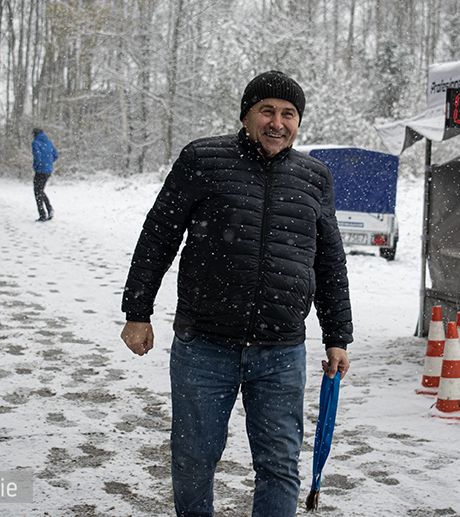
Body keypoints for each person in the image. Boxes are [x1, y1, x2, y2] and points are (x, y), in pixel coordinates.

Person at [120, 70, 352, 517]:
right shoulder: (202, 160)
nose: (277, 123)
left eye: (288, 114)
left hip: (281, 350)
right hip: (204, 344)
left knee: (280, 466)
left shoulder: (315, 177)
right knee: (194, 460)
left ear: (299, 122)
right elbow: (158, 236)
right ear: (246, 116)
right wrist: (137, 310)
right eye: (266, 110)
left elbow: (329, 261)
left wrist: (338, 335)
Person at [31, 128, 59, 221]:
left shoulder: (36, 143)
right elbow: (56, 155)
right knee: (41, 190)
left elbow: (37, 157)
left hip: (40, 171)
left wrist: (36, 166)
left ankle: (43, 214)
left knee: (37, 191)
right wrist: (49, 163)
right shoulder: (49, 143)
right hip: (48, 171)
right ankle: (49, 209)